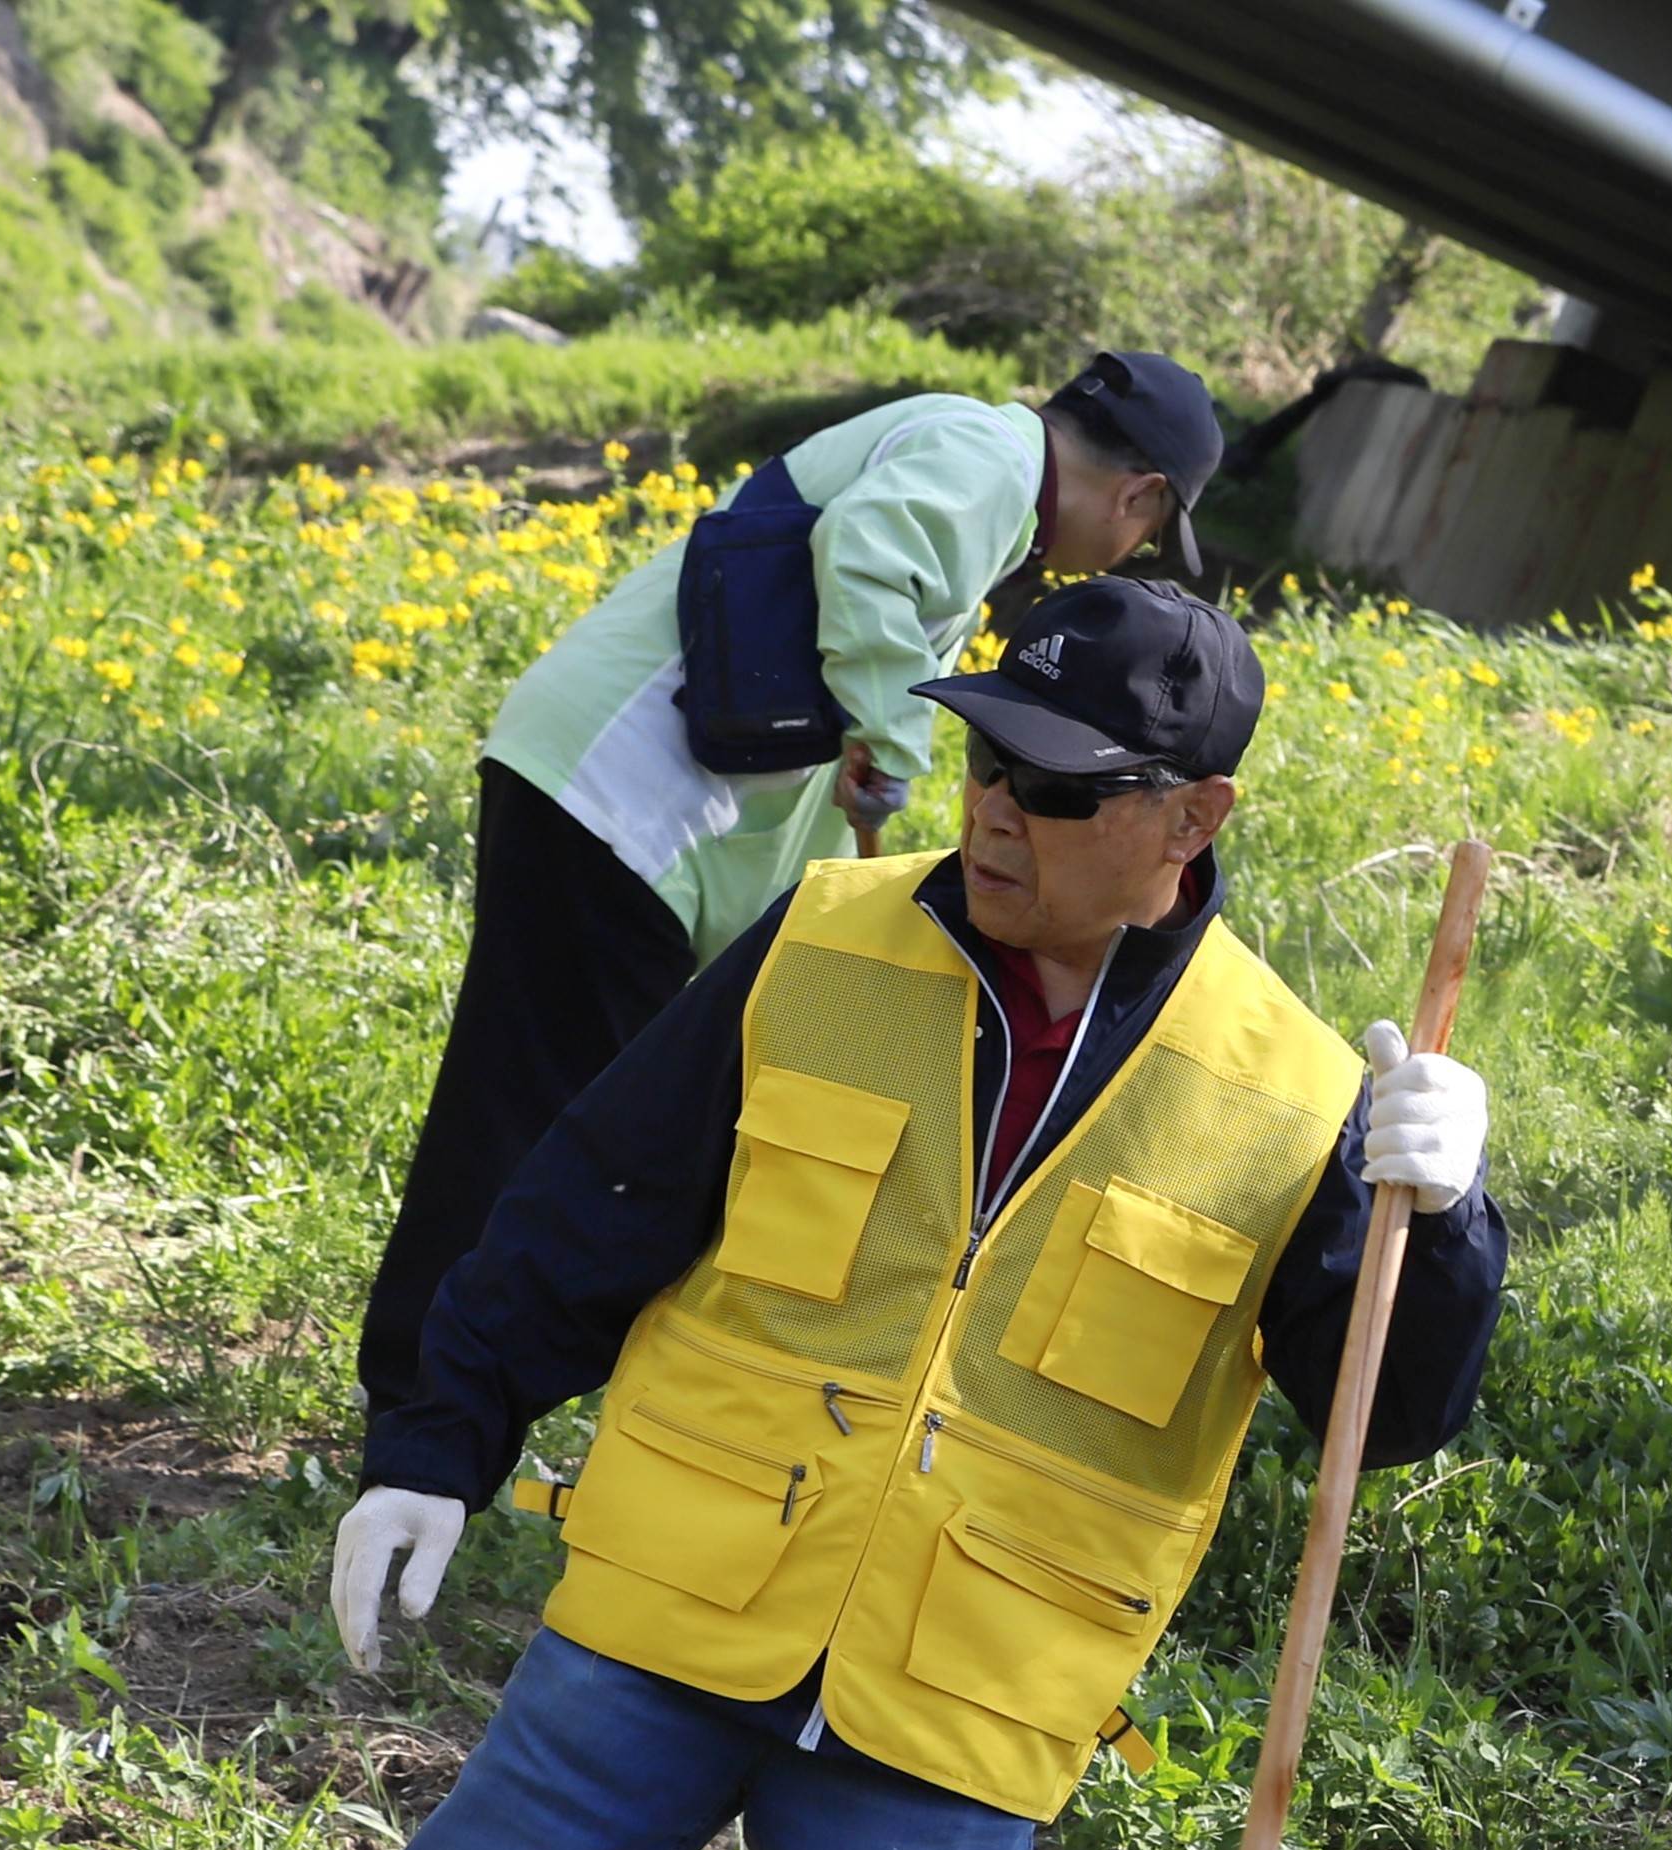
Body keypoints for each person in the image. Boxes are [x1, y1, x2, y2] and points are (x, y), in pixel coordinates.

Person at [0, 576, 1508, 1850]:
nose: (998, 807)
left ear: (1189, 817)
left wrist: (1444, 1216)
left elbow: (1394, 1409)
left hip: (960, 1711)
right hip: (670, 1613)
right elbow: (591, 1199)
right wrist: (437, 1441)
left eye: (1057, 783)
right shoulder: (824, 938)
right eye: (986, 756)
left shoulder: (1295, 1097)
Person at [353, 350, 1229, 1432]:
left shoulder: (972, 457)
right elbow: (866, 554)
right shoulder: (990, 461)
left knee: (554, 1102)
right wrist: (893, 736)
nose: (1130, 549)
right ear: (1140, 495)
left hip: (617, 801)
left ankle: (439, 1395)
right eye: (1151, 532)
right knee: (547, 1116)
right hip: (613, 796)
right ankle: (424, 1414)